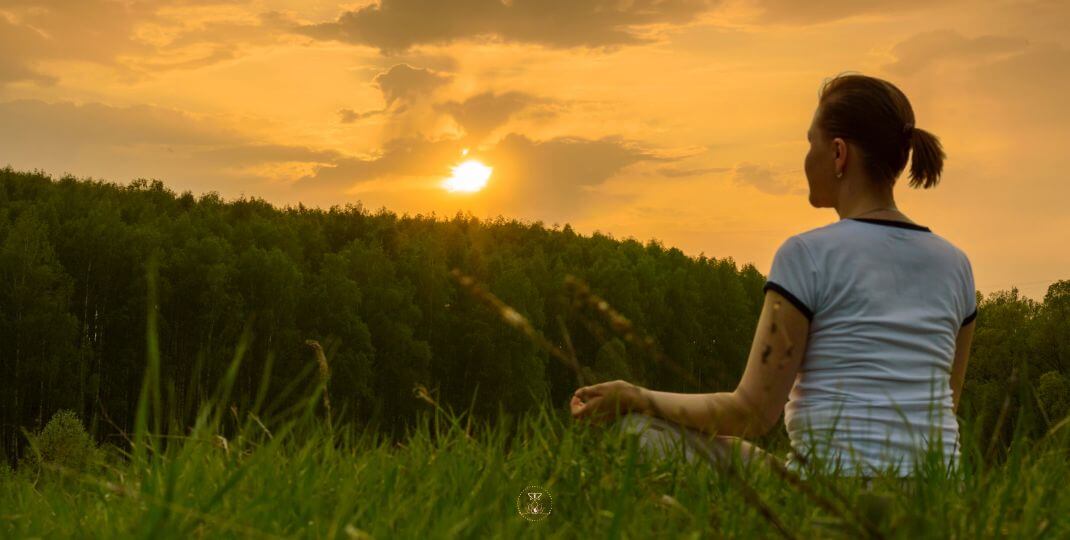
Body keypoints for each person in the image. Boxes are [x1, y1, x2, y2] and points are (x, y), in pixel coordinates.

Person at [569, 72, 978, 477]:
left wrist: (634, 396)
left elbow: (751, 413)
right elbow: (944, 407)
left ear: (839, 154)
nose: (805, 158)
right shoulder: (956, 266)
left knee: (637, 431)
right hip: (935, 494)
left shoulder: (807, 255)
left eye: (809, 143)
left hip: (828, 494)